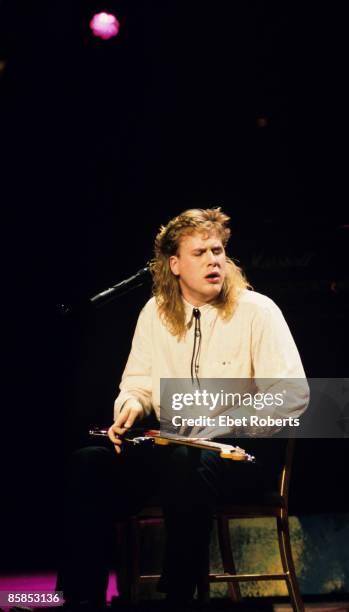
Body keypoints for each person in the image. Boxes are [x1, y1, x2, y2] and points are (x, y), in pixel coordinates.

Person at [56, 207, 309, 611]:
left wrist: (225, 423)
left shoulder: (258, 311)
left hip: (236, 458)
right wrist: (130, 408)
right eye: (201, 252)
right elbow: (136, 386)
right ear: (174, 264)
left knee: (185, 463)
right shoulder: (155, 314)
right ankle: (80, 598)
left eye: (218, 250)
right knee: (88, 462)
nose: (214, 259)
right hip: (171, 452)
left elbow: (293, 395)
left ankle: (178, 596)